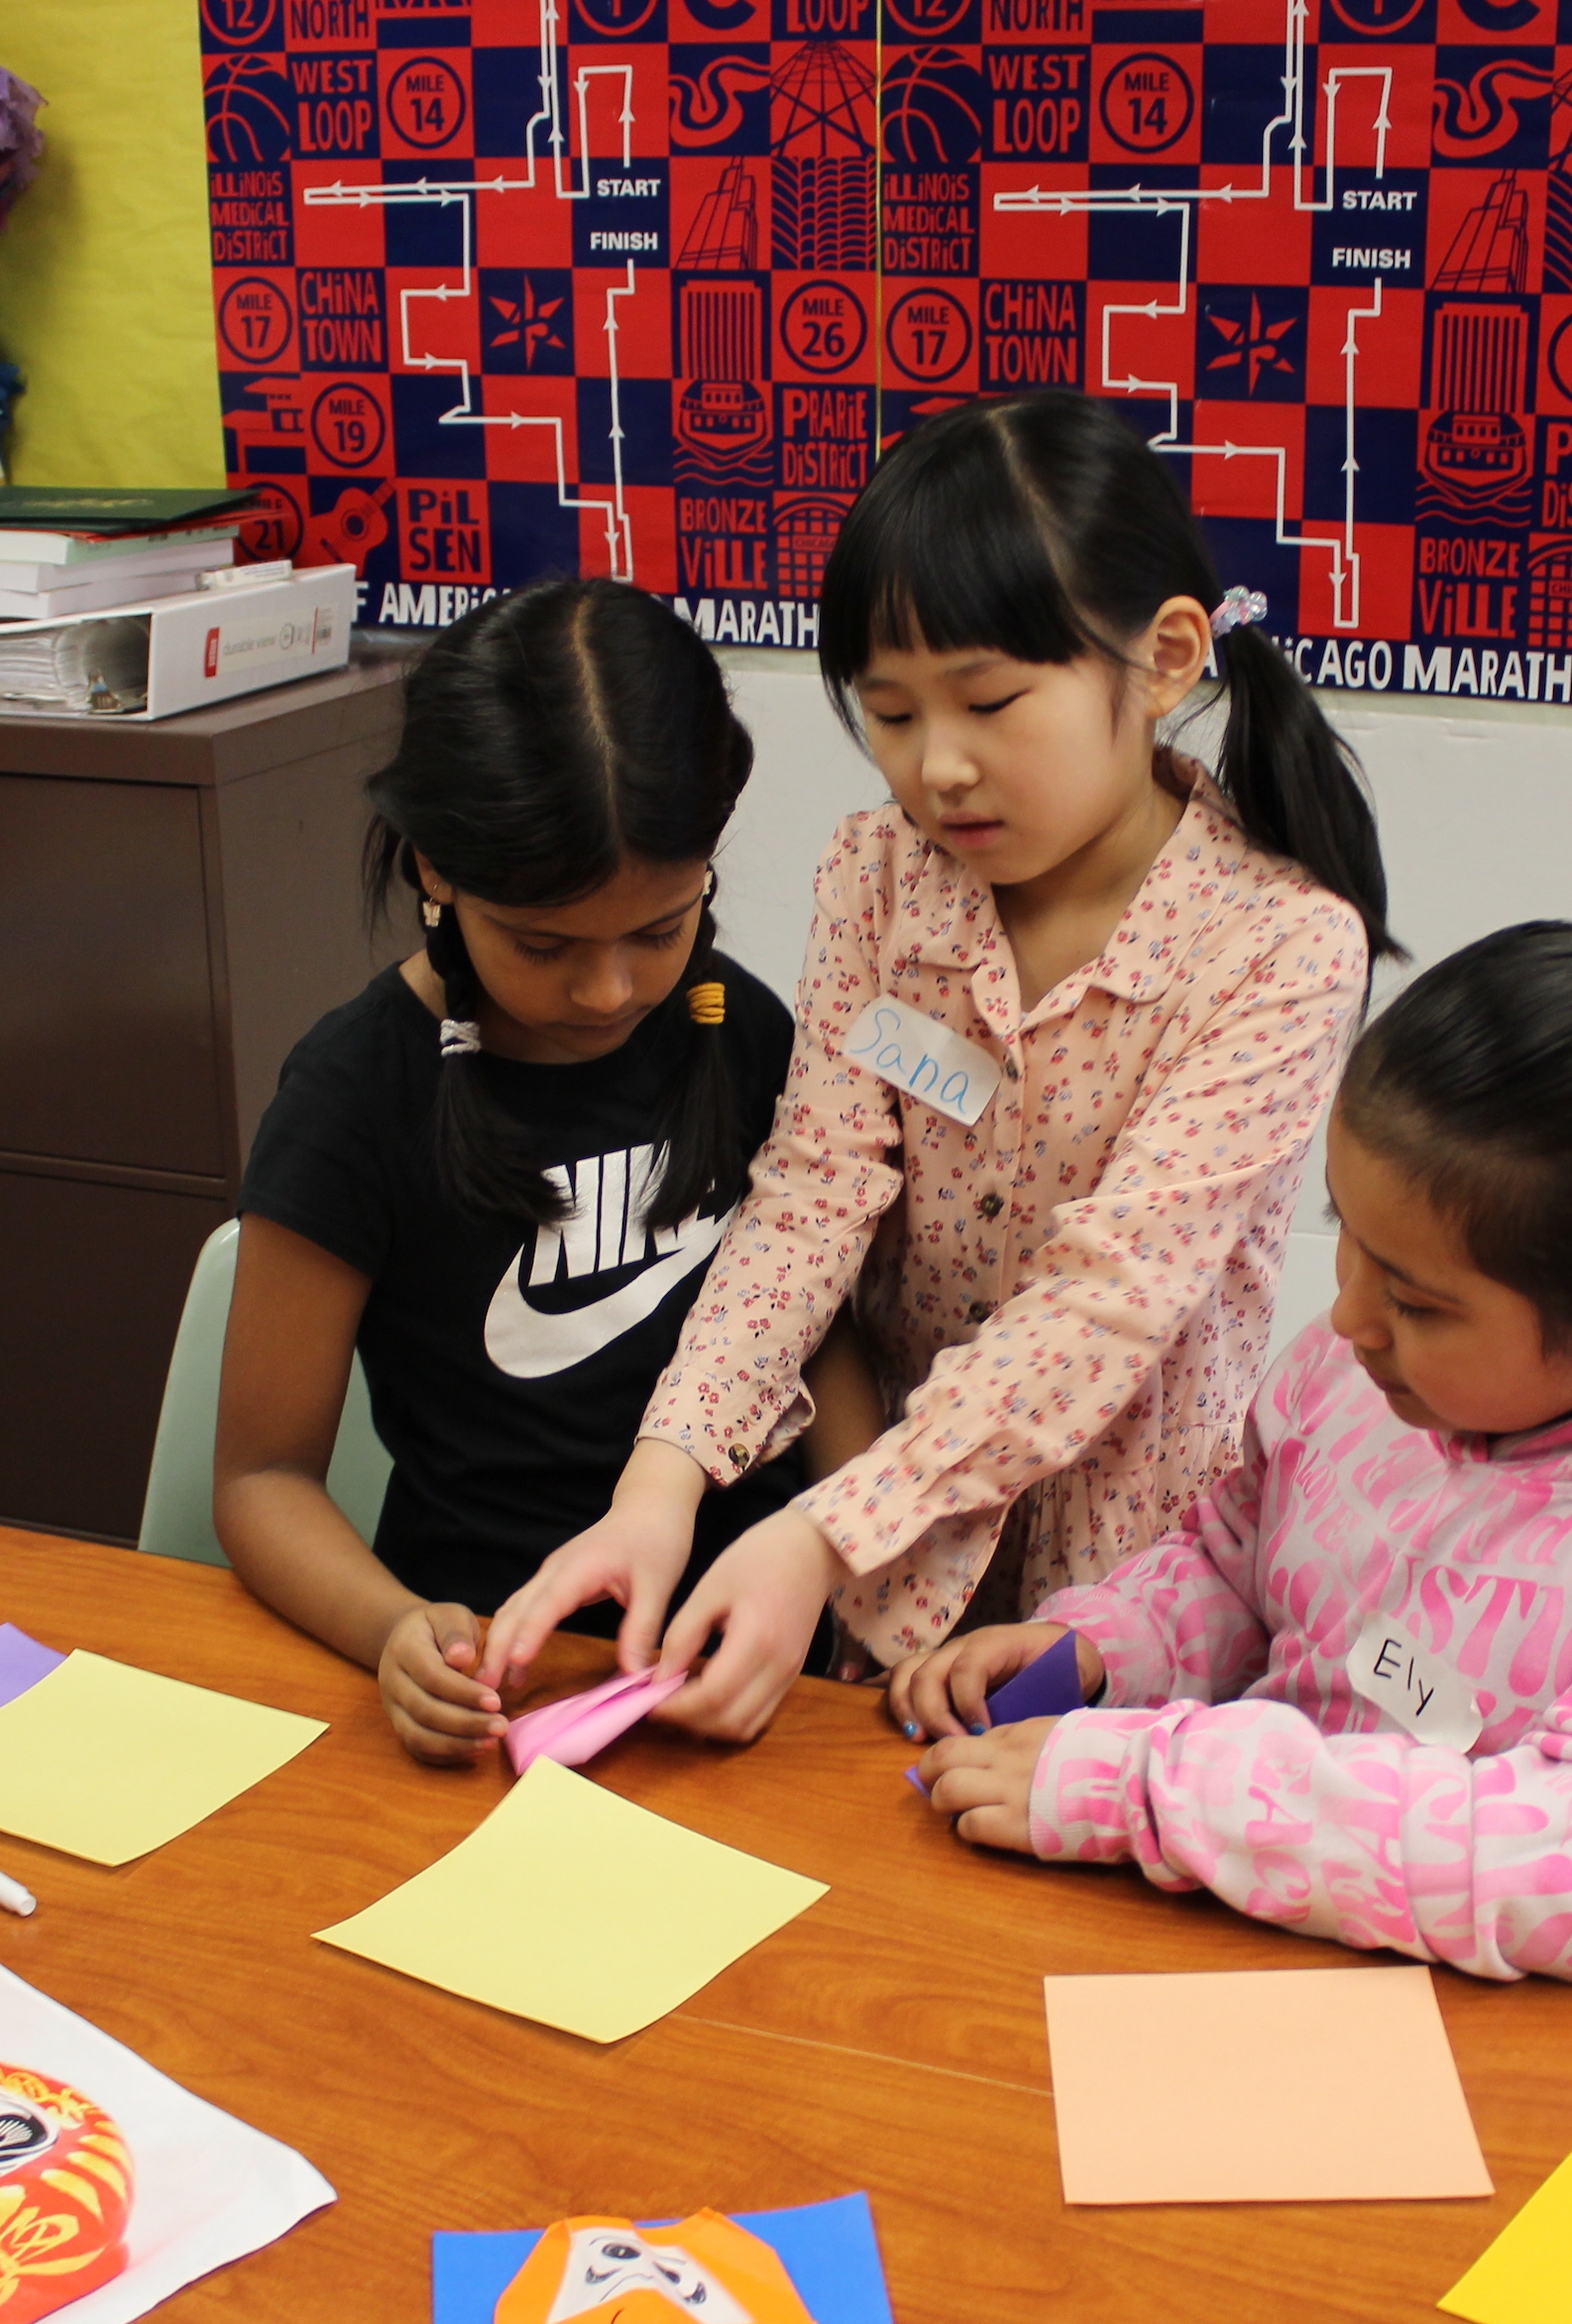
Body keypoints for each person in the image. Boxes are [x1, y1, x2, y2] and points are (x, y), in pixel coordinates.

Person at [484, 390, 1392, 1738]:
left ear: (1166, 658)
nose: (939, 768)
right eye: (891, 713)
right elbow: (812, 1199)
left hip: (1125, 1582)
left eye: (988, 701)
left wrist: (825, 1535)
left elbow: (1110, 1304)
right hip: (893, 1547)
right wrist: (661, 1486)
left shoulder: (1280, 948)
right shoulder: (880, 875)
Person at [895, 922, 1572, 1986]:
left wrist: (1155, 1790)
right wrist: (1110, 1651)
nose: (1348, 1318)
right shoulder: (1368, 1377)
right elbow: (1238, 1568)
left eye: (1417, 1299)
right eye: (1346, 1232)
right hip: (1262, 1962)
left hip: (1538, 2070)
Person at [213, 581, 884, 1763]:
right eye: (544, 945)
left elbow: (814, 1328)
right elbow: (263, 1477)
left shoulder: (742, 1027)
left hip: (759, 1648)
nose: (610, 992)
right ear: (436, 870)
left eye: (662, 928)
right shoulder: (356, 1093)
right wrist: (396, 1631)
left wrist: (870, 1590)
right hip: (500, 1668)